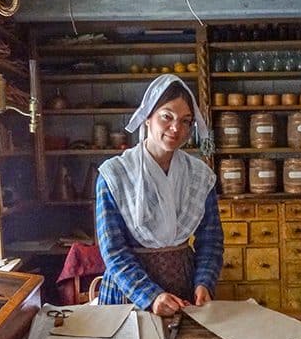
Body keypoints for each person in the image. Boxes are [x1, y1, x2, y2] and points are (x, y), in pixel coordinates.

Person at [95, 74, 223, 317]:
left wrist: (204, 282)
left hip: (183, 291)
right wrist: (150, 296)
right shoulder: (115, 175)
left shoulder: (199, 176)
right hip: (128, 294)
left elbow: (211, 239)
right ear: (147, 118)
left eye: (186, 121)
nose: (177, 128)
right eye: (167, 116)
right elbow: (113, 250)